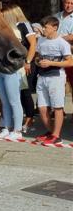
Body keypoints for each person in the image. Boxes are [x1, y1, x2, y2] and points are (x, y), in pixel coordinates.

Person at [0, 3, 34, 142]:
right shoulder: (0, 28)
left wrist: (27, 61)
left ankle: (17, 129)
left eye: (3, 15)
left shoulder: (22, 25)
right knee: (4, 100)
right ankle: (6, 126)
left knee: (14, 100)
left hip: (13, 67)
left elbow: (33, 44)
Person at [33, 16, 73, 146]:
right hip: (42, 77)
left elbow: (70, 61)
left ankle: (57, 135)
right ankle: (51, 132)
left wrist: (51, 63)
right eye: (43, 26)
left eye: (46, 27)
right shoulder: (41, 41)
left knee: (57, 107)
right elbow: (37, 57)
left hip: (56, 77)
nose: (43, 29)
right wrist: (38, 62)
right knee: (42, 108)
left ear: (54, 28)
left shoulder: (62, 43)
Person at [54, 0, 73, 95]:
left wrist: (58, 38)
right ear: (63, 3)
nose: (69, 5)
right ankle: (58, 110)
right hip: (56, 54)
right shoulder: (56, 17)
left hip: (70, 53)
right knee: (57, 83)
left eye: (71, 3)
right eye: (67, 3)